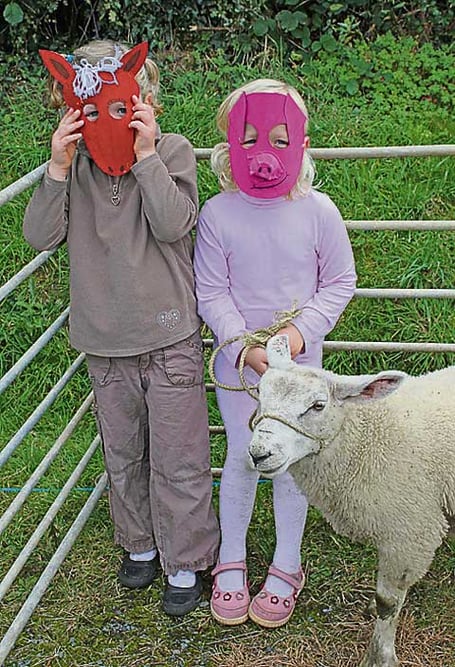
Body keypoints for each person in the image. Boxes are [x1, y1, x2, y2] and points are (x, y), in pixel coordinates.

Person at [23, 39, 219, 617]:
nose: (106, 118)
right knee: (124, 450)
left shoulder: (173, 151)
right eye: (89, 108)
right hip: (104, 340)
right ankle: (140, 543)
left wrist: (147, 155)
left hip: (168, 335)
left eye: (121, 104)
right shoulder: (75, 168)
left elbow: (174, 223)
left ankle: (187, 559)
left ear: (146, 99)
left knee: (180, 454)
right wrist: (58, 167)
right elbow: (39, 236)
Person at [193, 78, 357, 628]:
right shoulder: (218, 214)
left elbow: (339, 280)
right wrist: (243, 344)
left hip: (298, 368)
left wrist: (300, 334)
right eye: (250, 139)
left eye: (281, 140)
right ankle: (232, 557)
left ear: (302, 144)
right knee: (243, 452)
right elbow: (211, 290)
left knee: (289, 460)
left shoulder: (318, 212)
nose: (265, 153)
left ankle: (288, 562)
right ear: (230, 144)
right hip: (241, 367)